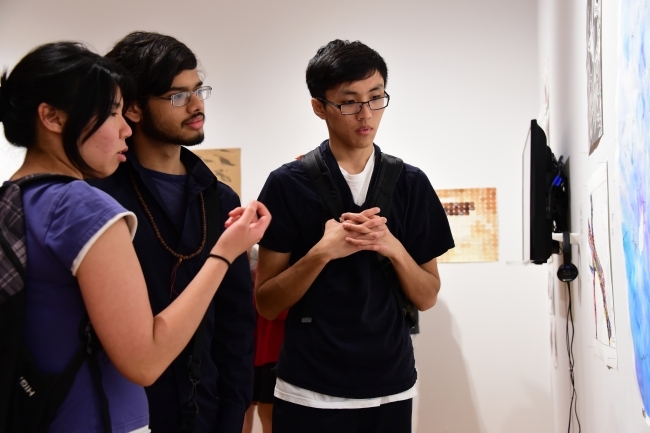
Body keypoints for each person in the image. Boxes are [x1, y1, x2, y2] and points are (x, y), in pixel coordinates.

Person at [0, 42, 269, 433]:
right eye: (110, 113)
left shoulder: (15, 197)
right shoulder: (83, 205)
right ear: (52, 117)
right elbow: (145, 360)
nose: (125, 126)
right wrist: (224, 254)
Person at [254, 39, 454, 433]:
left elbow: (428, 295)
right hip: (308, 387)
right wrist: (321, 253)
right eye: (348, 102)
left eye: (376, 98)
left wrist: (392, 248)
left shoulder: (410, 184)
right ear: (319, 106)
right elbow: (266, 303)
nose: (366, 114)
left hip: (390, 385)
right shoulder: (287, 184)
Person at [89, 32, 256, 433]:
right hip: (123, 416)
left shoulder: (218, 198)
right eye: (178, 96)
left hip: (207, 412)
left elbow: (236, 326)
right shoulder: (98, 198)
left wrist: (234, 417)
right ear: (133, 108)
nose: (197, 105)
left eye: (199, 91)